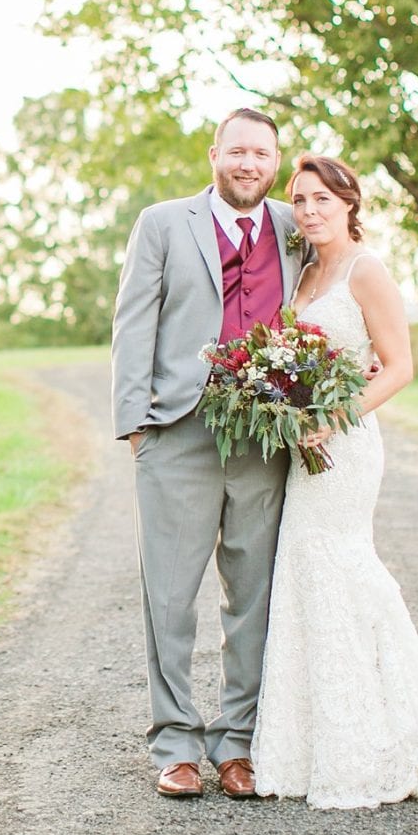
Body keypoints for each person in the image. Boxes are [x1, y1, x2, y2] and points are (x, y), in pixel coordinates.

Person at [252, 153, 418, 808]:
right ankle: (309, 748)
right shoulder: (304, 272)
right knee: (305, 575)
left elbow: (399, 367)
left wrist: (331, 418)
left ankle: (383, 739)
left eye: (322, 198)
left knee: (342, 567)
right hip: (303, 448)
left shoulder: (365, 271)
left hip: (346, 447)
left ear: (349, 203)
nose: (311, 210)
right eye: (301, 199)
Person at [110, 107, 307, 799]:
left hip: (264, 437)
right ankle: (175, 744)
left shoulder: (292, 223)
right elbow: (134, 321)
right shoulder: (163, 222)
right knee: (168, 596)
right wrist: (137, 424)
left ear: (275, 161)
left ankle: (239, 743)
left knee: (253, 596)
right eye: (238, 151)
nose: (249, 163)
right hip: (179, 430)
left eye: (262, 153)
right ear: (214, 154)